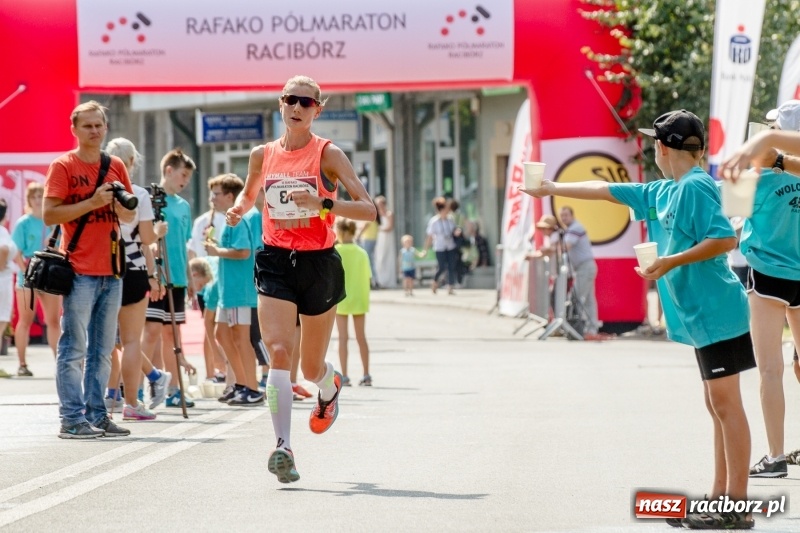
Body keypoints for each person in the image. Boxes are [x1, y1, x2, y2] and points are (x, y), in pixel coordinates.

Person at [520, 109, 756, 529]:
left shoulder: (696, 186)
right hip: (702, 315)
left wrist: (669, 262)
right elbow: (606, 189)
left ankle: (735, 507)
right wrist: (552, 187)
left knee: (725, 404)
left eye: (654, 143)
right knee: (716, 405)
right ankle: (720, 496)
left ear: (662, 147)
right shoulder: (666, 189)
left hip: (718, 310)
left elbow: (725, 239)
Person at [226, 74, 376, 484]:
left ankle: (329, 386)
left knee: (310, 367)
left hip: (318, 263)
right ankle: (283, 447)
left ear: (317, 110)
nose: (297, 107)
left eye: (306, 103)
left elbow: (368, 210)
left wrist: (324, 202)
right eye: (291, 100)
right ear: (280, 103)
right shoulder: (262, 154)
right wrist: (239, 209)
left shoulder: (328, 154)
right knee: (278, 350)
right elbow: (249, 192)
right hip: (275, 258)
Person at [43, 100, 136, 439]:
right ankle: (71, 419)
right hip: (79, 268)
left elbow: (129, 217)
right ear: (74, 129)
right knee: (73, 349)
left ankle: (97, 415)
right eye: (88, 126)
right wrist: (93, 202)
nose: (95, 131)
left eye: (99, 125)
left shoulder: (115, 166)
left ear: (106, 128)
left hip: (112, 269)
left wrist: (118, 206)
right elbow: (50, 214)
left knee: (103, 350)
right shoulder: (63, 166)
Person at [724, 101, 800, 480]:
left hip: (769, 273)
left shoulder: (757, 178)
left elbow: (727, 216)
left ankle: (776, 457)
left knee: (771, 369)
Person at [103, 137, 171, 421]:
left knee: (104, 340)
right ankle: (131, 403)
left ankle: (103, 400)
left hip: (101, 264)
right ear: (131, 162)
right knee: (131, 340)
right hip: (132, 268)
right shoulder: (139, 194)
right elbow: (146, 239)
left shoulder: (99, 192)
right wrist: (158, 231)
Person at [140, 148, 196, 409]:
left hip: (178, 279)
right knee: (150, 332)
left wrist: (190, 279)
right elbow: (144, 238)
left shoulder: (184, 206)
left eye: (188, 177)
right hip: (155, 277)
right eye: (182, 174)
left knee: (173, 336)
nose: (184, 181)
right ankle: (139, 386)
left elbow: (184, 245)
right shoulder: (150, 199)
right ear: (169, 171)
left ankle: (175, 390)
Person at [204, 173, 264, 405]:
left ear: (230, 196)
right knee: (222, 334)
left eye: (216, 194)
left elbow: (244, 252)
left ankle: (251, 387)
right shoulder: (234, 217)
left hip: (240, 288)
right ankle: (241, 382)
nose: (212, 199)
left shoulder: (241, 216)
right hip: (228, 289)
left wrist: (217, 251)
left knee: (241, 338)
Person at [11, 183, 62, 377]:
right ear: (29, 200)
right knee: (25, 320)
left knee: (54, 321)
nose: (38, 199)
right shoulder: (23, 223)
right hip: (28, 276)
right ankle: (22, 364)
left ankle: (60, 364)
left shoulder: (53, 221)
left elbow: (62, 247)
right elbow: (16, 251)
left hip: (49, 274)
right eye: (34, 196)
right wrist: (26, 272)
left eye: (41, 195)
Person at [554, 206, 608, 341]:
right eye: (562, 216)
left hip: (585, 267)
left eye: (566, 215)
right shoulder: (570, 229)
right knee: (589, 300)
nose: (563, 218)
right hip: (584, 268)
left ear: (572, 215)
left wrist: (548, 247)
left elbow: (566, 246)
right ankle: (591, 329)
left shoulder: (575, 228)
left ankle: (578, 328)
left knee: (576, 298)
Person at [334, 218, 372, 386]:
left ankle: (345, 375)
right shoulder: (362, 252)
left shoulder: (335, 251)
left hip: (340, 298)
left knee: (342, 338)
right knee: (361, 337)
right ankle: (366, 374)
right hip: (359, 298)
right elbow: (368, 276)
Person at [422, 196, 458, 295]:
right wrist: (425, 249)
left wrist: (457, 232)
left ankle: (450, 286)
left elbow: (454, 230)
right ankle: (435, 281)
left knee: (451, 266)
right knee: (441, 266)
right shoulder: (434, 221)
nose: (447, 211)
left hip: (450, 246)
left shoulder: (450, 219)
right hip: (440, 247)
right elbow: (429, 236)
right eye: (446, 209)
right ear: (441, 210)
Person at [0, 199, 18, 377]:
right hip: (2, 280)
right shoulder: (2, 231)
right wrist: (2, 264)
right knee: (1, 320)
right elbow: (3, 249)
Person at [373, 195, 397, 289]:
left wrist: (379, 228)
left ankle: (388, 280)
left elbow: (390, 227)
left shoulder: (389, 213)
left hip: (387, 237)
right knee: (379, 257)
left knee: (387, 257)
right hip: (380, 238)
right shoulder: (377, 214)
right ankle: (380, 280)